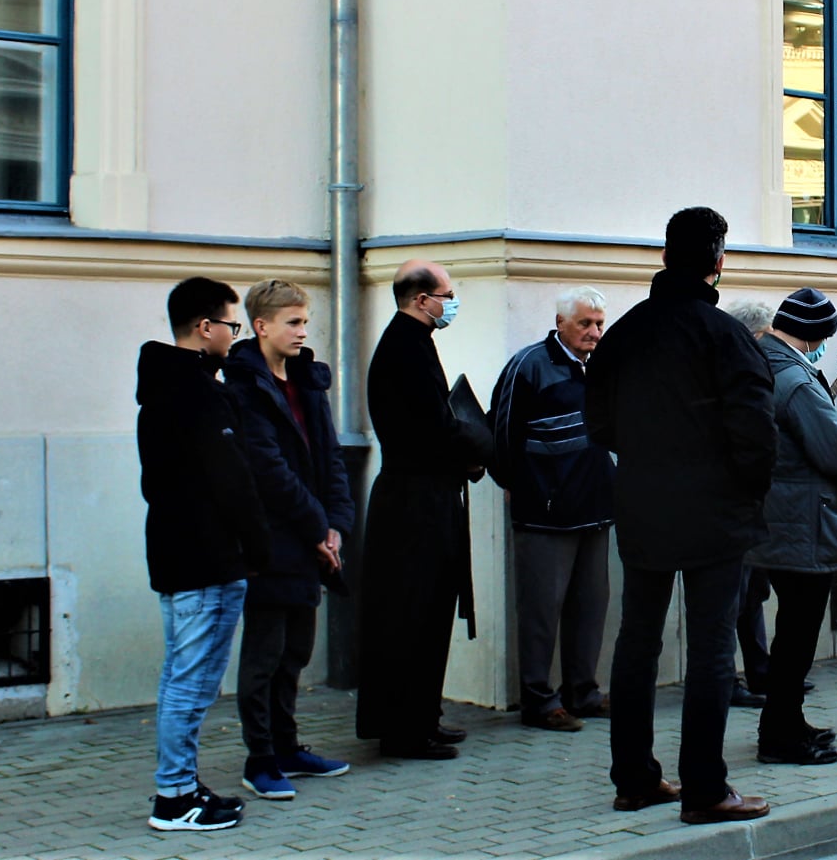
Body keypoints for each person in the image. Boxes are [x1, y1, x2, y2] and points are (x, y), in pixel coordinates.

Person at [585, 207, 776, 826]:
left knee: (636, 641)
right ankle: (705, 789)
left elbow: (599, 425)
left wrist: (650, 458)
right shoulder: (725, 336)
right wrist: (744, 495)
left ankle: (634, 779)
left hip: (643, 503)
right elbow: (757, 435)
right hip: (715, 512)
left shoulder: (623, 333)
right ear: (719, 262)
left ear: (665, 257)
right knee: (713, 647)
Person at [137, 277, 271, 832]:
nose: (234, 336)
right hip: (206, 557)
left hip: (177, 552)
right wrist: (258, 546)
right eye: (231, 325)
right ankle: (174, 798)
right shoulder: (198, 393)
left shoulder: (163, 387)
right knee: (191, 683)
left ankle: (181, 787)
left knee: (181, 677)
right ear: (204, 326)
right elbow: (232, 479)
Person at [356, 260, 493, 760]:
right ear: (421, 299)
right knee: (411, 615)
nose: (451, 304)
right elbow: (433, 428)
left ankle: (422, 717)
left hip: (425, 495)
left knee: (431, 611)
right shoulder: (404, 349)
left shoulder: (412, 342)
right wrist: (482, 447)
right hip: (413, 505)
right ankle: (406, 730)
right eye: (447, 295)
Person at [223, 280, 355, 801]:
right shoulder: (244, 387)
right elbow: (268, 470)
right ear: (261, 326)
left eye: (305, 321)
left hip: (311, 540)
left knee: (295, 651)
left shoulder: (306, 380)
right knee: (265, 654)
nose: (303, 332)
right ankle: (259, 759)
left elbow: (331, 458)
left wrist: (335, 525)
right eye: (293, 322)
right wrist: (317, 526)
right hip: (271, 541)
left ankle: (286, 747)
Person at [745, 289, 837, 763]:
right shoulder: (795, 378)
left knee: (790, 630)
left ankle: (788, 721)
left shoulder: (759, 361)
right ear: (817, 334)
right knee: (798, 633)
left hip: (772, 513)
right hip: (802, 518)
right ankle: (780, 736)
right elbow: (836, 448)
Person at [489, 286, 616, 733]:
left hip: (595, 508)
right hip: (544, 512)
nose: (594, 332)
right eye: (585, 323)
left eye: (599, 324)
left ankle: (583, 691)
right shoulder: (529, 365)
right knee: (541, 611)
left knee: (590, 606)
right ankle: (539, 700)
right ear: (561, 322)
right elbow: (501, 431)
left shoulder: (601, 365)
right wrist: (517, 485)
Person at [723, 300, 778, 712]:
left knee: (754, 591)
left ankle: (761, 671)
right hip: (731, 504)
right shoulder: (729, 371)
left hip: (754, 501)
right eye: (767, 337)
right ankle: (726, 679)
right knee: (730, 596)